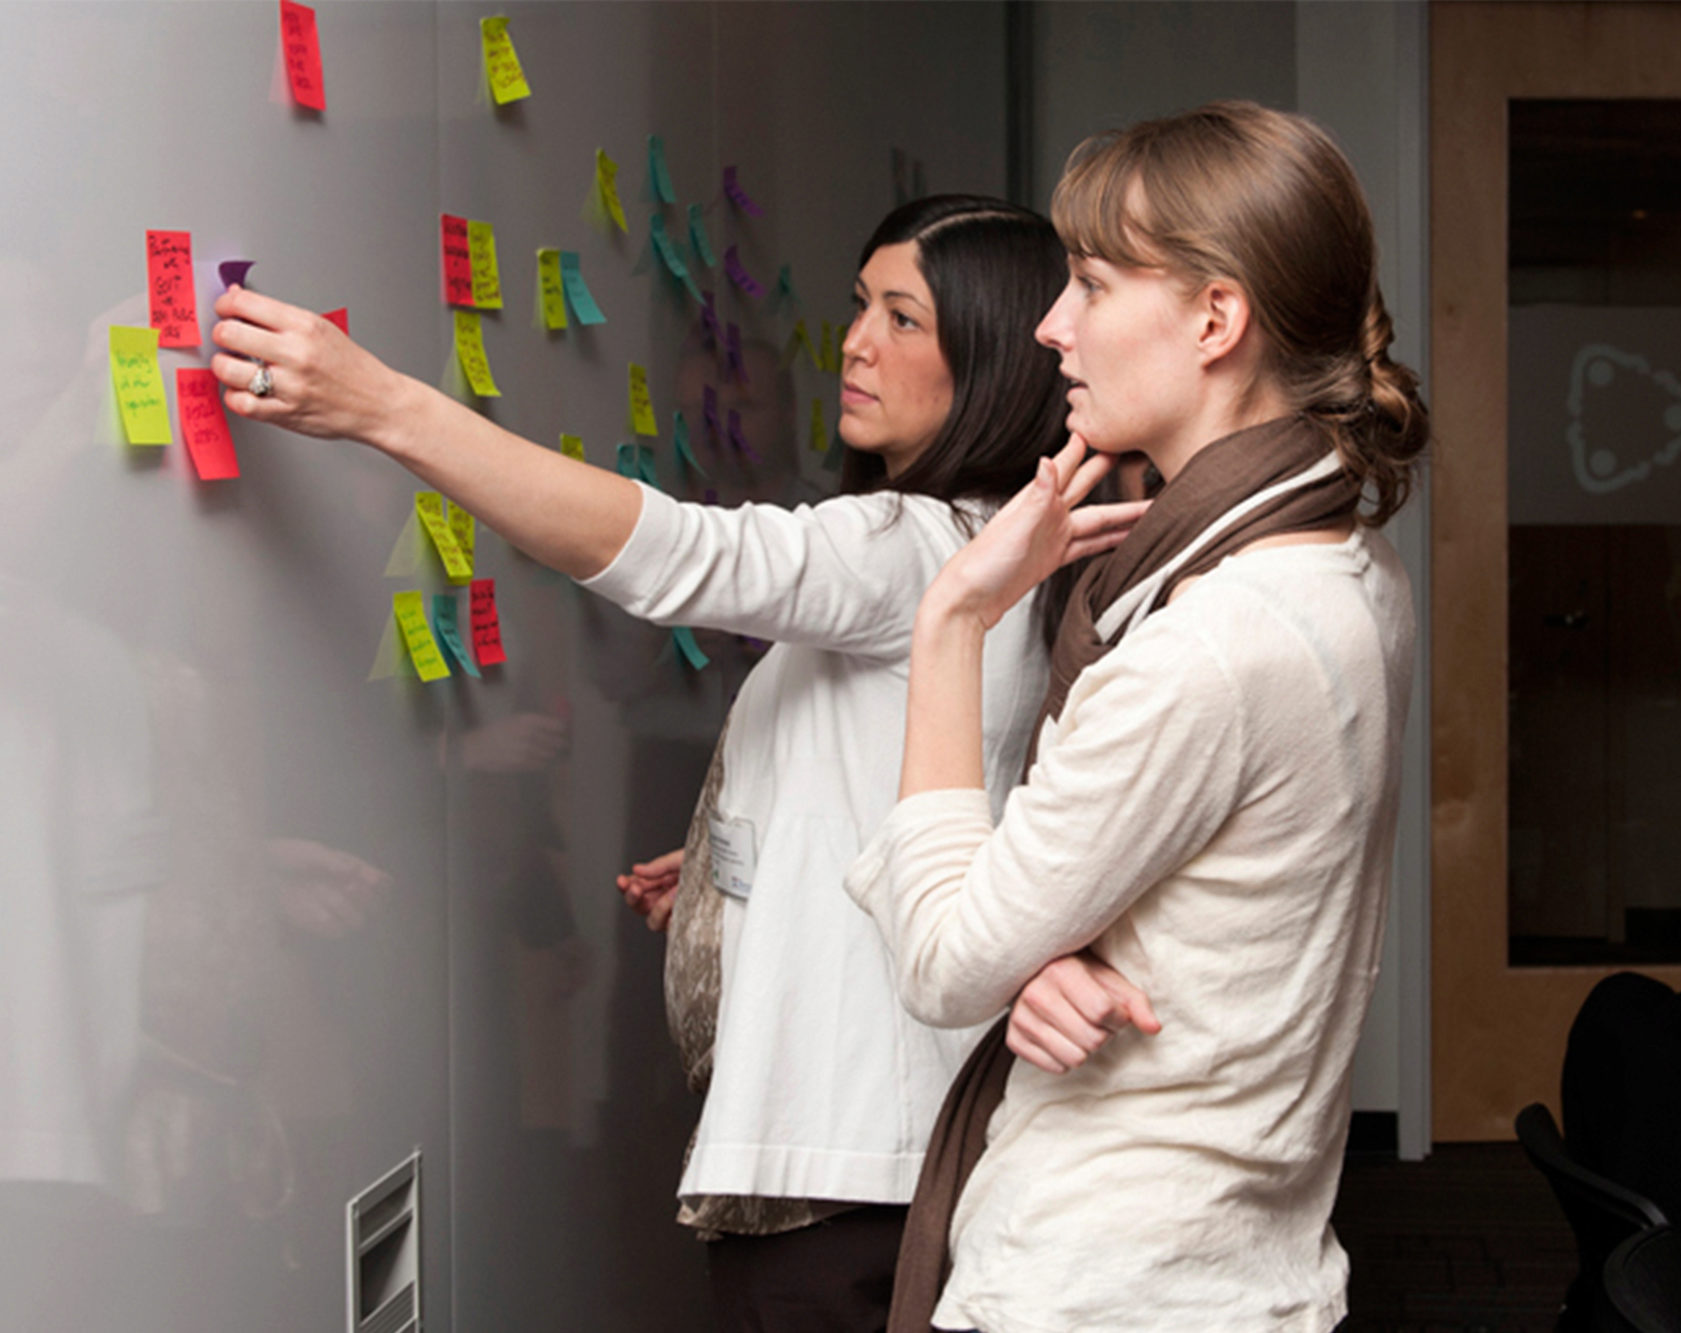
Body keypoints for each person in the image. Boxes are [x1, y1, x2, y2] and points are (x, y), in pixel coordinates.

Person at [207, 195, 1142, 1329]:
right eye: (858, 306)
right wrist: (727, 872)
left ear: (988, 362)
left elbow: (675, 557)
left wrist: (384, 407)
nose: (855, 343)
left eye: (902, 318)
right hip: (887, 1153)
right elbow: (931, 790)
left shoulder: (917, 548)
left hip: (852, 1165)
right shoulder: (994, 549)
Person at [842, 101, 1426, 1333]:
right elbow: (1189, 897)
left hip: (1098, 1282)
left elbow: (946, 959)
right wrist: (1037, 951)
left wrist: (951, 621)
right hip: (1230, 1267)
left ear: (1216, 320)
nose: (1052, 326)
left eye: (1093, 283)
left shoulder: (1214, 640)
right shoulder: (1345, 571)